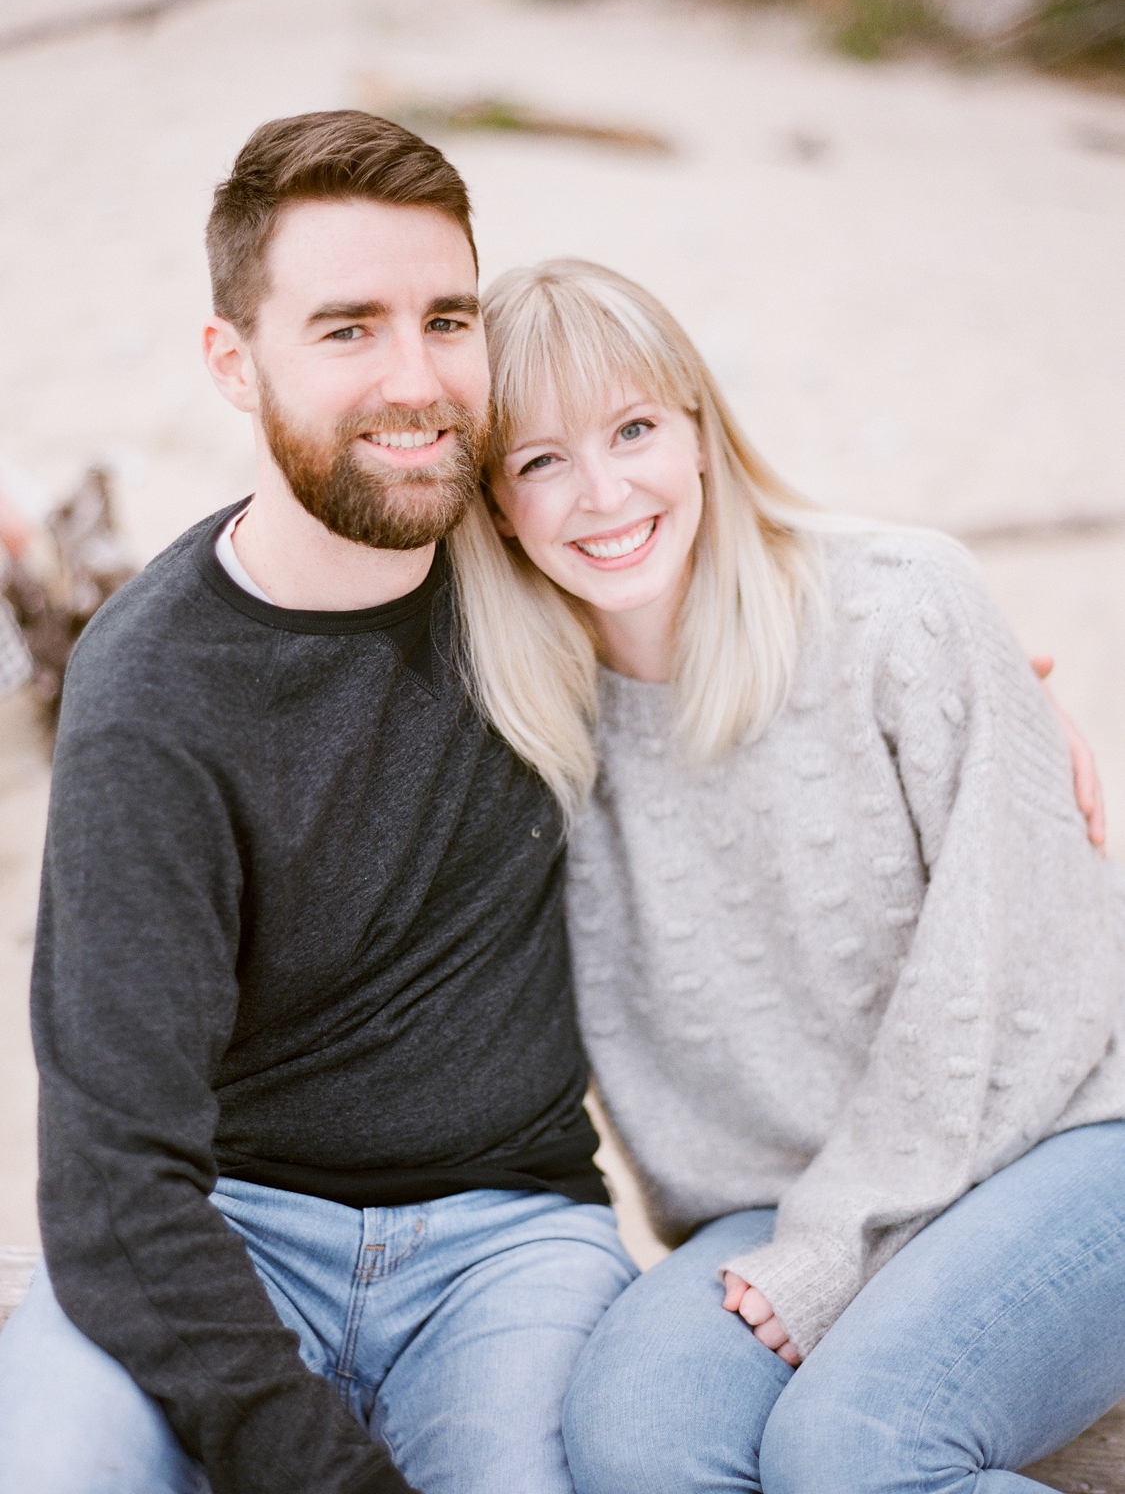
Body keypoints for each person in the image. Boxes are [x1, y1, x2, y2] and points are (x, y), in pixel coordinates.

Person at [0, 120, 637, 1494]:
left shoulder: (548, 562)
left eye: (447, 319)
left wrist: (994, 682)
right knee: (54, 1467)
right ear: (234, 362)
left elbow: (758, 562)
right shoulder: (152, 686)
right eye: (349, 329)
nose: (418, 382)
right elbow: (112, 1182)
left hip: (506, 1245)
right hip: (225, 1225)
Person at [446, 257, 1125, 1492]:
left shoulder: (901, 609)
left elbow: (1027, 991)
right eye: (541, 460)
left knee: (853, 1453)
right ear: (494, 506)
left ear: (701, 432)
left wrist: (838, 1246)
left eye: (634, 429)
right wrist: (818, 1238)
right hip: (780, 1200)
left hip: (1071, 1134)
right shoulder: (525, 740)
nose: (604, 492)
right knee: (640, 1446)